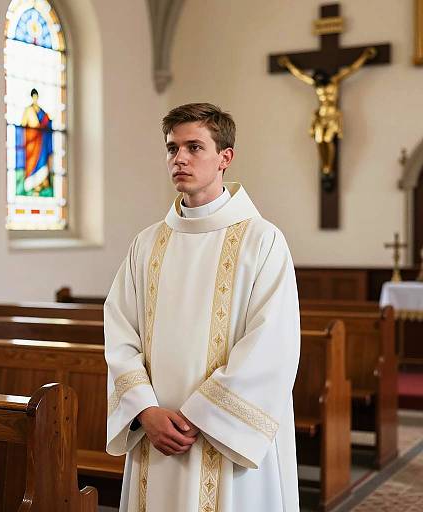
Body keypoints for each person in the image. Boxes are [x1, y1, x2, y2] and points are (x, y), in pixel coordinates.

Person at [105, 103, 300, 511]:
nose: (180, 158)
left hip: (223, 438)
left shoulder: (262, 241)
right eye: (172, 148)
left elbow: (273, 344)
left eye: (194, 147)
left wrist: (200, 416)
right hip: (156, 431)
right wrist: (144, 410)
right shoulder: (147, 244)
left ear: (225, 157)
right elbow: (120, 330)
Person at [278, 47, 376, 177]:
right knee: (319, 140)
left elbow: (351, 69)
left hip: (332, 116)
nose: (318, 83)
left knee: (328, 140)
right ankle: (325, 166)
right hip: (321, 116)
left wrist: (365, 57)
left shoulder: (334, 82)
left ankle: (329, 166)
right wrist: (288, 64)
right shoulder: (316, 84)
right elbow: (300, 75)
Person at [19, 88, 53, 196]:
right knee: (31, 163)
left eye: (36, 96)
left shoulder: (42, 111)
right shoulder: (28, 110)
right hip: (32, 144)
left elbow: (46, 125)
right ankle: (31, 186)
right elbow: (23, 125)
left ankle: (42, 184)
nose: (35, 98)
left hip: (41, 144)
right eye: (33, 96)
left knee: (42, 162)